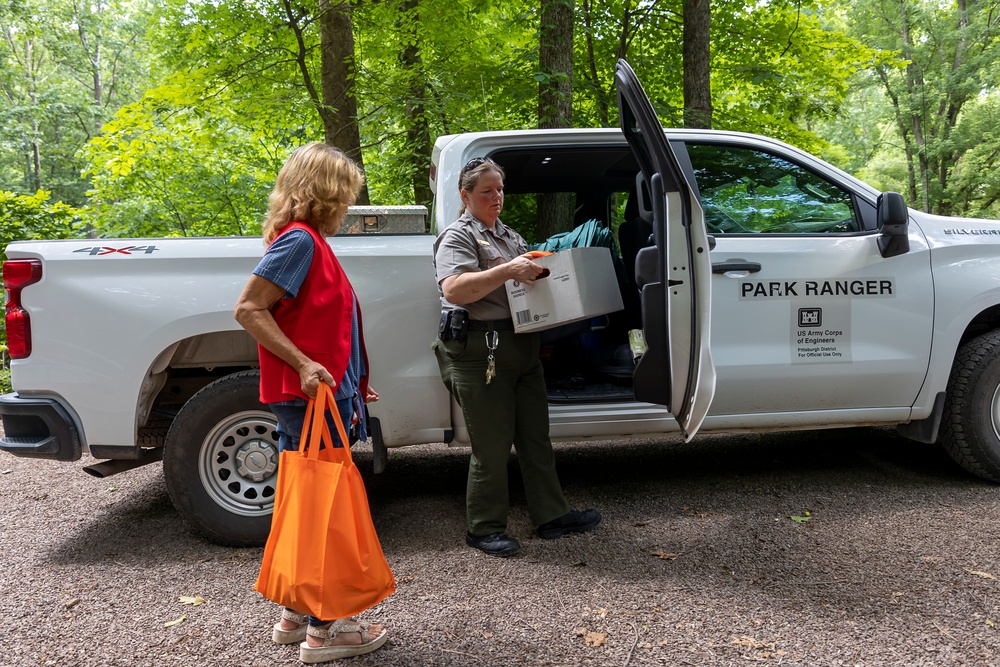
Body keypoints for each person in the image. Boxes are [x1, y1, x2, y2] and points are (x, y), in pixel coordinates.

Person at [233, 142, 387, 663]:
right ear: (325, 193)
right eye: (344, 194)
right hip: (312, 399)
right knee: (326, 509)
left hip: (324, 395)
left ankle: (296, 613)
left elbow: (322, 318)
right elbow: (250, 308)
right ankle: (329, 628)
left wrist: (354, 378)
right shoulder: (300, 242)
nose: (348, 205)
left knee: (305, 502)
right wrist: (304, 364)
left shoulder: (305, 240)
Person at [431, 156, 602, 558]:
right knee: (491, 446)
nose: (497, 197)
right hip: (480, 350)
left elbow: (524, 282)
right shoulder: (458, 237)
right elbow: (454, 289)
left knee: (535, 438)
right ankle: (484, 528)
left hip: (521, 344)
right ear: (465, 195)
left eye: (500, 189)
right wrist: (509, 270)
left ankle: (551, 516)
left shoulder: (507, 235)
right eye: (487, 191)